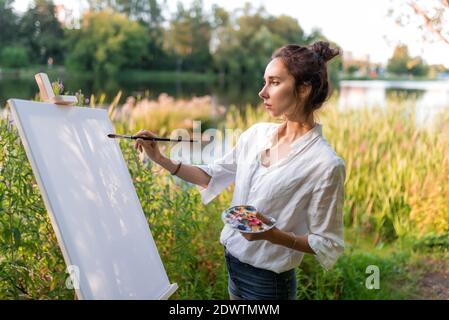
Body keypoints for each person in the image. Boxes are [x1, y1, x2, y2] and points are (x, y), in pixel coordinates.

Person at [134, 41, 346, 300]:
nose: (262, 92)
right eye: (264, 81)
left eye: (274, 82)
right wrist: (160, 159)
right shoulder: (256, 135)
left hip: (269, 284)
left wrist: (273, 236)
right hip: (233, 265)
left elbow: (328, 242)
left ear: (303, 89)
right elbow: (211, 175)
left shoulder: (325, 163)